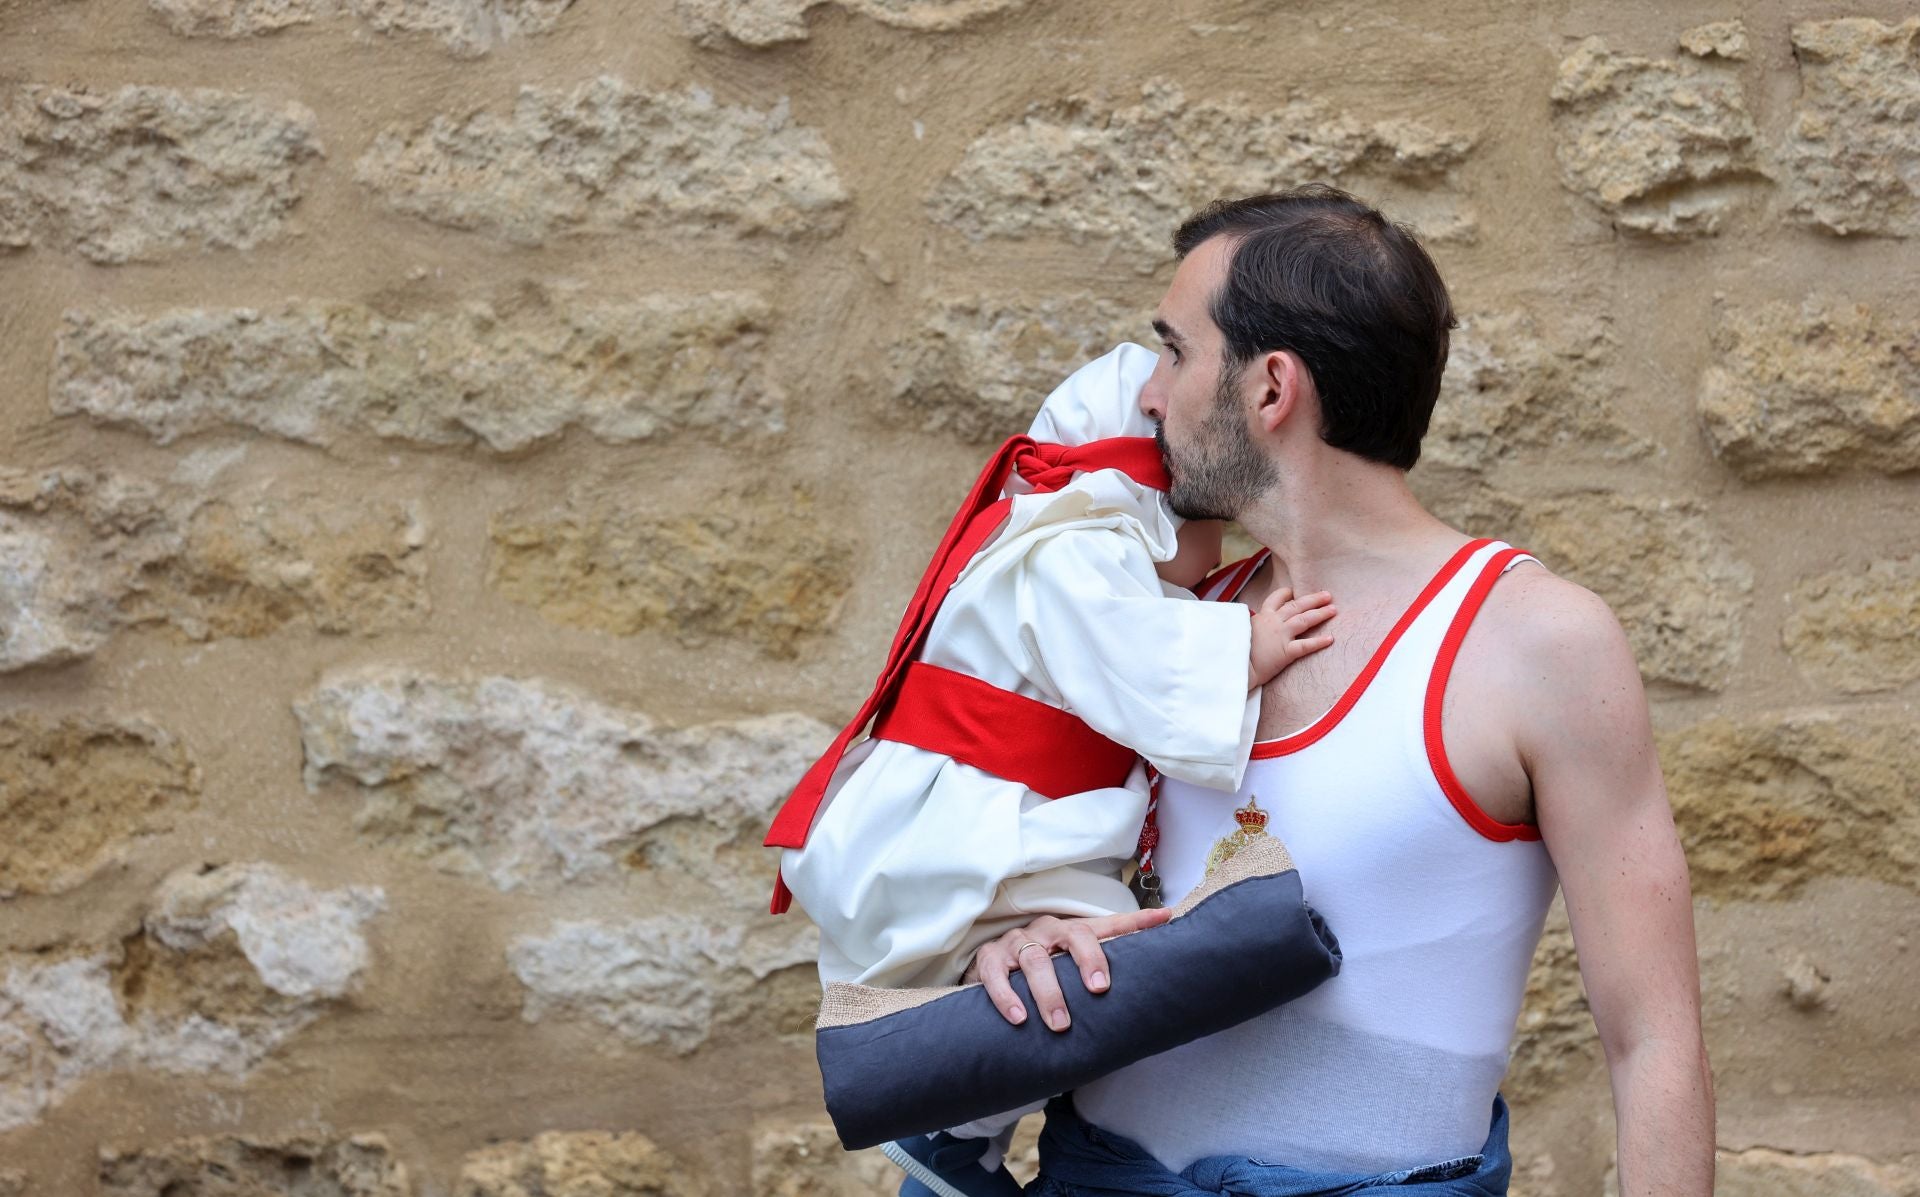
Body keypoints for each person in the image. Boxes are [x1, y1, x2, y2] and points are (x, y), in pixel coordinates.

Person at [964, 186, 1715, 1197]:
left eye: (1176, 352)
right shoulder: (1163, 638)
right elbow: (1053, 875)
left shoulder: (1535, 643)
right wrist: (1031, 936)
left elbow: (1653, 1042)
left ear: (1271, 388)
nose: (1148, 396)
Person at [765, 344, 1339, 1197]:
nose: (1210, 551)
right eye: (1203, 526)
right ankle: (948, 1134)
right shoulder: (1076, 553)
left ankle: (959, 1136)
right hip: (982, 824)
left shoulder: (1046, 545)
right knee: (1075, 980)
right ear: (1144, 508)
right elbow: (1135, 657)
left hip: (999, 815)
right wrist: (1241, 651)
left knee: (1048, 968)